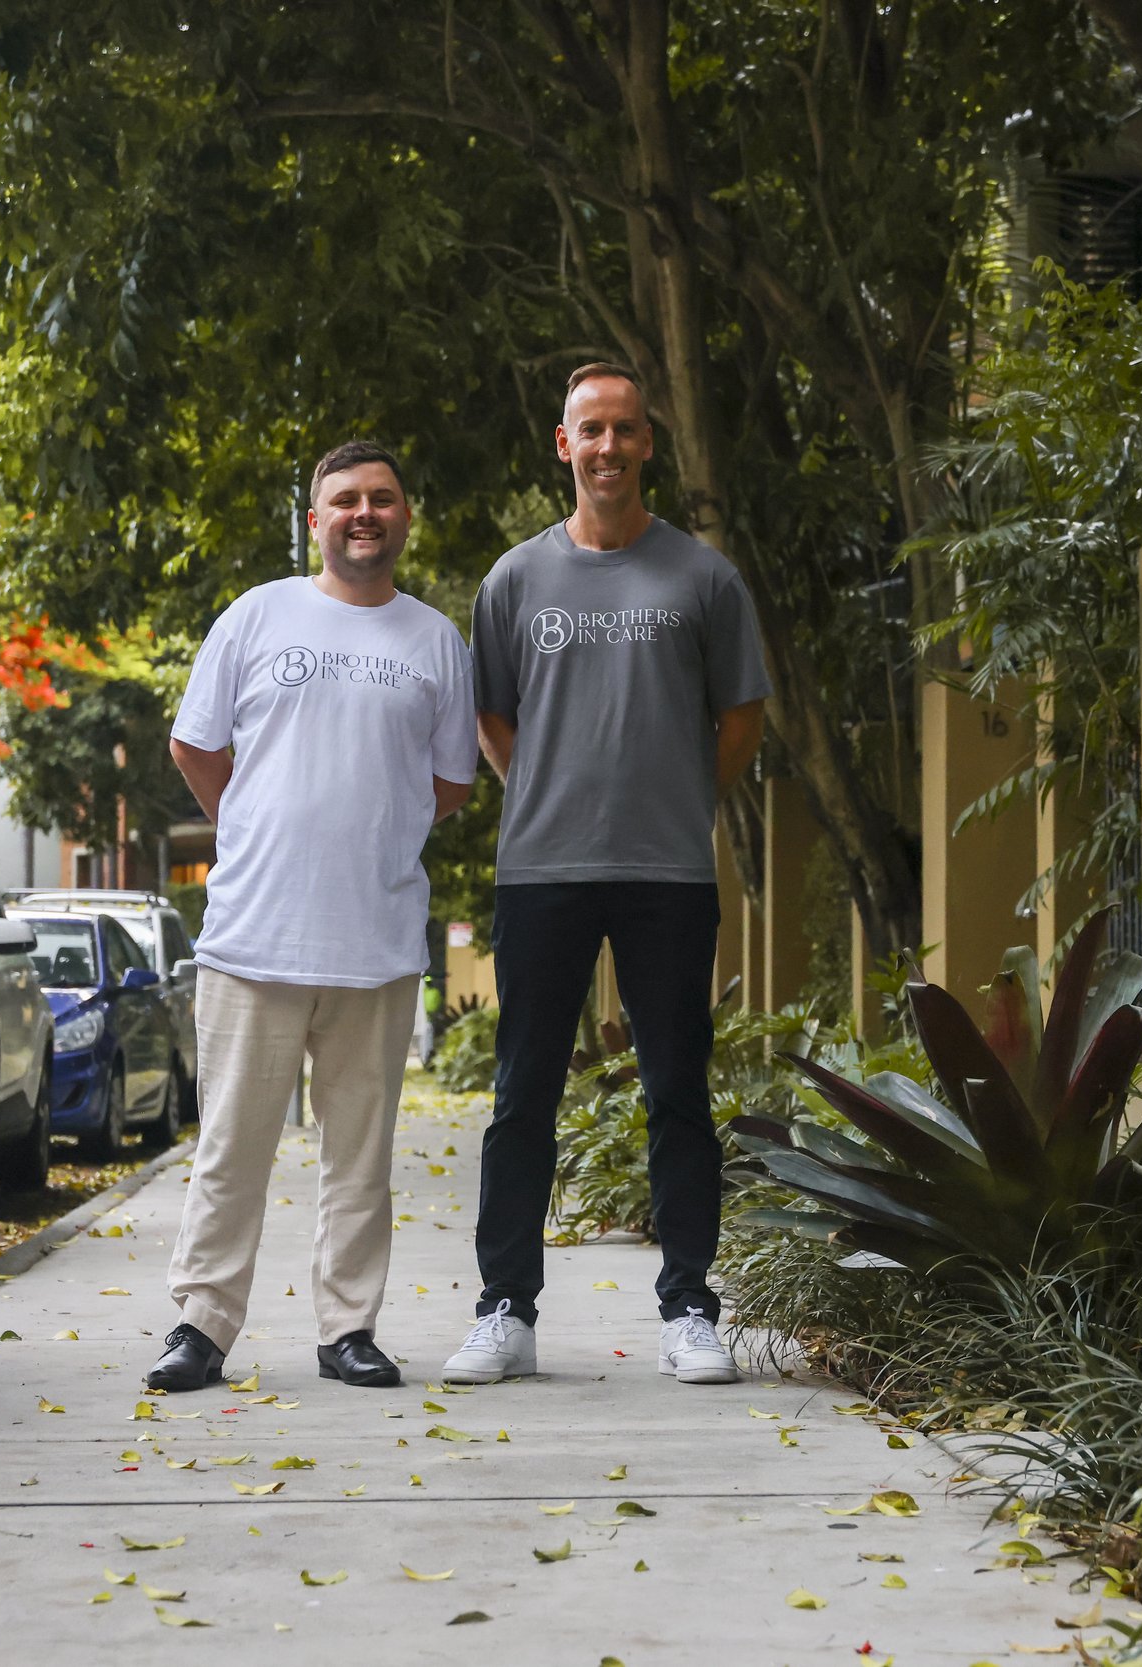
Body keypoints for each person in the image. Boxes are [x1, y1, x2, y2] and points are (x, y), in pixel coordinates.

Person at [445, 363, 769, 1387]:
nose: (609, 447)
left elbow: (742, 717)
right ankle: (506, 1307)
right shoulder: (514, 579)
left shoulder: (701, 577)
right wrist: (535, 784)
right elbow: (489, 713)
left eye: (626, 430)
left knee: (677, 1087)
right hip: (541, 867)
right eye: (592, 429)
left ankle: (688, 1308)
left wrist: (676, 794)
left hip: (667, 869)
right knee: (521, 1090)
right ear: (563, 443)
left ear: (646, 445)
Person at [151, 441, 477, 1392]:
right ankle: (201, 1325)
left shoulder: (434, 641)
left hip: (375, 941)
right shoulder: (258, 615)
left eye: (381, 498)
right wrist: (259, 824)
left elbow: (449, 780)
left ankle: (348, 1328)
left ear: (403, 517)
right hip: (254, 935)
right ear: (315, 520)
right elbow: (196, 746)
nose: (363, 513)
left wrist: (375, 823)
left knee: (360, 1157)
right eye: (344, 500)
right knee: (231, 1147)